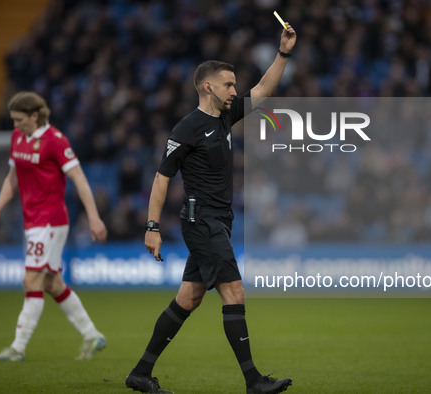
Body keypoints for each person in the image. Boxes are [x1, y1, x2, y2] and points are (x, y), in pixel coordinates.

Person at [125, 24, 297, 394]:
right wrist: (152, 225)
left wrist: (282, 53)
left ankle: (140, 373)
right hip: (201, 221)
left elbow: (263, 91)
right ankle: (254, 382)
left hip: (218, 221)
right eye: (229, 85)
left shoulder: (223, 118)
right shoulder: (186, 128)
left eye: (235, 85)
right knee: (234, 292)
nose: (235, 91)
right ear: (208, 87)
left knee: (188, 298)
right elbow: (161, 178)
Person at [0, 91, 108, 361]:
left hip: (50, 221)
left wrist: (93, 217)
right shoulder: (17, 138)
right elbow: (12, 178)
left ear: (34, 115)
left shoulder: (55, 141)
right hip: (32, 221)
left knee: (31, 279)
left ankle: (18, 348)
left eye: (20, 120)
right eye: (13, 121)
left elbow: (79, 179)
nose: (16, 125)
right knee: (53, 284)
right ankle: (92, 335)